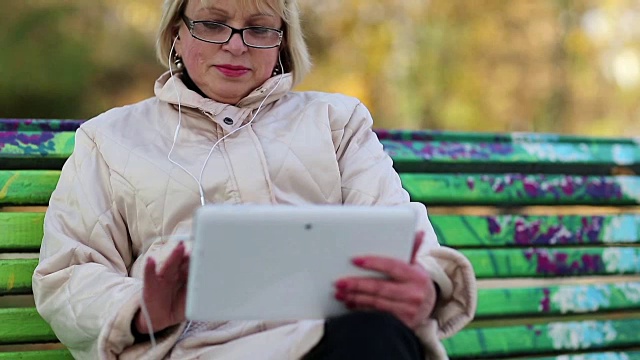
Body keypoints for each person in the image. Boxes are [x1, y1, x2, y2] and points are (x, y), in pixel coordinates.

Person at [32, 0, 477, 359]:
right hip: (194, 349)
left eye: (260, 28)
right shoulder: (110, 139)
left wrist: (423, 288)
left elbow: (404, 235)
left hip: (335, 340)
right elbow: (67, 274)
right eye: (212, 22)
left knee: (376, 335)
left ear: (282, 45)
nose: (236, 45)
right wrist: (141, 309)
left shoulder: (335, 122)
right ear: (177, 34)